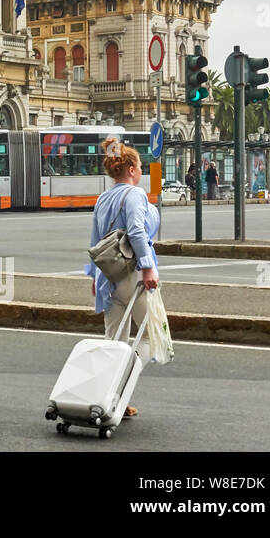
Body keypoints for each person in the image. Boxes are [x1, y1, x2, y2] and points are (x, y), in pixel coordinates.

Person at [84, 136, 160, 418]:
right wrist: (149, 266)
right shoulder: (135, 194)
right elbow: (137, 232)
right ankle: (122, 385)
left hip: (108, 277)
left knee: (114, 341)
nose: (141, 171)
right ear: (130, 169)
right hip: (132, 276)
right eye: (140, 166)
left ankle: (108, 397)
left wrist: (94, 275)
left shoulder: (103, 197)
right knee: (152, 336)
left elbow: (95, 241)